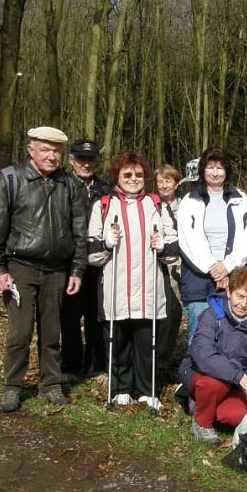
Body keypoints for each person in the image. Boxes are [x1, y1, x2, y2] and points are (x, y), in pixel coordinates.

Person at [0, 126, 86, 412]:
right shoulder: (10, 179)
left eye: (56, 151)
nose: (52, 156)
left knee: (52, 333)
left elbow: (79, 231)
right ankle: (12, 386)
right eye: (45, 150)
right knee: (20, 332)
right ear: (31, 150)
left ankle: (50, 384)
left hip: (57, 270)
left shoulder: (69, 184)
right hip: (20, 268)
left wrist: (77, 270)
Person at [87, 152, 174, 410]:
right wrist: (105, 244)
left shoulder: (156, 204)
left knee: (147, 340)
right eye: (127, 174)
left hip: (149, 285)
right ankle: (120, 387)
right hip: (116, 285)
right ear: (117, 177)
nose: (133, 179)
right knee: (118, 338)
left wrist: (163, 247)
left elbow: (173, 245)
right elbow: (90, 253)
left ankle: (146, 389)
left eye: (138, 174)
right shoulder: (103, 205)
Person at [179, 266, 247, 445]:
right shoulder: (211, 315)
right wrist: (239, 376)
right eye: (240, 296)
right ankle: (201, 422)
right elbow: (203, 355)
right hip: (202, 373)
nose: (243, 304)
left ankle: (202, 404)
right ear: (228, 291)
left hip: (234, 382)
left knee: (233, 416)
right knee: (213, 384)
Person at [177, 148, 247, 341]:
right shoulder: (190, 200)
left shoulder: (241, 199)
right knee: (200, 336)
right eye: (210, 167)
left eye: (220, 168)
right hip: (199, 279)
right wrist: (212, 267)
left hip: (233, 277)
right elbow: (188, 239)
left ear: (227, 171)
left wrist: (227, 266)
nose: (215, 172)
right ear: (203, 170)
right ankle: (196, 372)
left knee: (229, 337)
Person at [60, 139, 111, 381]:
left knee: (95, 315)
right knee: (69, 316)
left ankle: (95, 365)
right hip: (68, 262)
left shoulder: (105, 189)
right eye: (81, 159)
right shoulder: (61, 184)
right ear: (71, 161)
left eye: (91, 160)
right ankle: (70, 365)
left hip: (96, 263)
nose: (86, 164)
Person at [155, 164, 184, 363]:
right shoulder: (152, 204)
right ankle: (155, 356)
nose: (164, 185)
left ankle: (165, 355)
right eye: (160, 182)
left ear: (176, 183)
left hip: (181, 265)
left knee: (176, 310)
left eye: (168, 181)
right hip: (158, 264)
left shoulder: (186, 204)